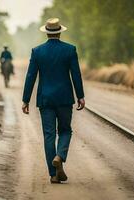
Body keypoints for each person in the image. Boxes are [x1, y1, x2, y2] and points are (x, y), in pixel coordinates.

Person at [22, 18, 85, 184]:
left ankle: (53, 173)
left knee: (49, 135)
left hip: (46, 99)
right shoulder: (70, 50)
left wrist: (25, 99)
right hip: (64, 98)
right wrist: (80, 96)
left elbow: (30, 76)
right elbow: (76, 74)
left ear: (47, 32)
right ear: (59, 31)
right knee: (65, 130)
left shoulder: (37, 51)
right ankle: (60, 156)